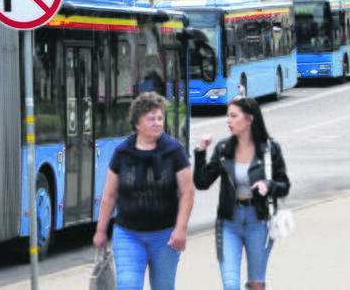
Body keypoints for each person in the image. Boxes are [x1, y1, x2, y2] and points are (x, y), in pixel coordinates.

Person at [93, 92, 194, 290]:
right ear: (137, 123)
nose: (157, 123)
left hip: (165, 236)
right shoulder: (122, 152)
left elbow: (187, 192)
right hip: (128, 234)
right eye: (151, 119)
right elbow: (110, 195)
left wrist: (181, 228)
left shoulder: (174, 151)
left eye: (160, 118)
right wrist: (100, 230)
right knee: (128, 285)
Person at [194, 96, 290, 290]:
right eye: (227, 116)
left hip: (259, 222)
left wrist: (268, 185)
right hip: (228, 222)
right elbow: (202, 182)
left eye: (233, 116)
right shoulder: (223, 148)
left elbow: (284, 185)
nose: (228, 121)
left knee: (256, 284)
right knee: (230, 285)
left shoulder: (270, 149)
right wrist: (200, 152)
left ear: (249, 119)